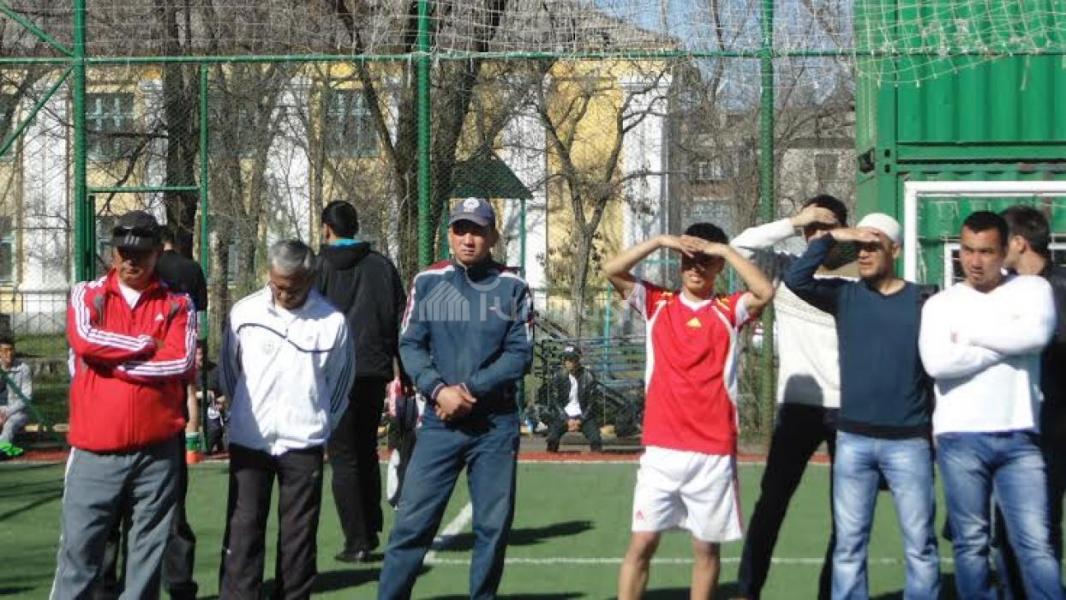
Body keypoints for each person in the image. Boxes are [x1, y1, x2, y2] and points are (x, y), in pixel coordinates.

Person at [604, 223, 774, 600]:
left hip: (712, 452)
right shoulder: (657, 303)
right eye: (689, 259)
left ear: (718, 267)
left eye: (705, 261)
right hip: (661, 450)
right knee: (642, 543)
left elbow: (765, 292)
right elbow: (612, 270)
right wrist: (660, 241)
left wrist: (725, 250)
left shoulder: (729, 310)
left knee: (705, 549)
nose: (696, 267)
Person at [377, 197, 533, 600]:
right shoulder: (428, 282)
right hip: (438, 423)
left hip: (495, 426)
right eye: (461, 229)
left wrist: (469, 390)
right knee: (412, 523)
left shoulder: (513, 287)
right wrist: (438, 390)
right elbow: (410, 344)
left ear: (493, 236)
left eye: (477, 231)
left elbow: (520, 354)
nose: (468, 239)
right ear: (449, 234)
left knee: (493, 528)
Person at [784, 213, 940, 599]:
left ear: (895, 250)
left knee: (920, 546)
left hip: (910, 442)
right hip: (853, 440)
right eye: (859, 247)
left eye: (873, 245)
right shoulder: (845, 295)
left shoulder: (924, 301)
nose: (864, 253)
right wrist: (835, 237)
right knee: (849, 546)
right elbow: (796, 279)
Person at [50, 210, 197, 600]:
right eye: (123, 253)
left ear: (157, 253)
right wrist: (147, 344)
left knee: (146, 561)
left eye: (141, 254)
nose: (131, 261)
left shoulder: (178, 302)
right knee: (79, 555)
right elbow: (85, 339)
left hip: (157, 454)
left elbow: (181, 361)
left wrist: (113, 364)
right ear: (112, 253)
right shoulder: (87, 294)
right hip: (95, 451)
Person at [918, 211, 1061, 599]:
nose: (975, 261)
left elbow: (1035, 337)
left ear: (1005, 251)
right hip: (959, 438)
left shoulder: (1032, 290)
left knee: (1035, 543)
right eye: (967, 250)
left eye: (986, 251)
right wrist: (1007, 344)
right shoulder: (940, 305)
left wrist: (968, 337)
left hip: (1020, 437)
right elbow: (938, 363)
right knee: (971, 543)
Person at [218, 240, 355, 600]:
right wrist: (243, 411)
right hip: (250, 440)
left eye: (293, 288)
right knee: (242, 532)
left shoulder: (332, 322)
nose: (284, 294)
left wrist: (319, 422)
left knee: (298, 540)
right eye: (278, 285)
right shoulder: (244, 313)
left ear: (309, 278)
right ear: (269, 273)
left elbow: (340, 384)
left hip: (303, 443)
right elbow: (230, 373)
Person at [729, 196, 849, 600]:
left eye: (827, 227)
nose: (818, 235)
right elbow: (739, 246)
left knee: (845, 514)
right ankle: (747, 590)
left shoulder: (856, 279)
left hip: (847, 409)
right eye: (811, 228)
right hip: (797, 406)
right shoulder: (784, 269)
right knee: (772, 503)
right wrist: (795, 221)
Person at [314, 199, 406, 563]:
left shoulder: (317, 267)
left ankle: (357, 540)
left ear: (327, 228)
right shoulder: (381, 266)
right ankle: (370, 527)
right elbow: (400, 318)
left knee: (343, 456)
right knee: (366, 448)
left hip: (333, 372)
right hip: (372, 368)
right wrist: (403, 371)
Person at [995, 205, 1066, 598]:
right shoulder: (999, 291)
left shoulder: (1060, 289)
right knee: (1007, 529)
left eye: (999, 241)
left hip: (1054, 428)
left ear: (1019, 243)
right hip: (1013, 428)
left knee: (1043, 527)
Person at [544, 345, 603, 453]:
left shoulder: (588, 376)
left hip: (583, 415)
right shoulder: (558, 376)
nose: (569, 362)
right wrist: (566, 419)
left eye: (571, 359)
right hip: (563, 415)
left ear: (578, 360)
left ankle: (597, 460)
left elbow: (592, 402)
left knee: (596, 440)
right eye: (566, 359)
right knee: (552, 439)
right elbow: (555, 401)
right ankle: (551, 458)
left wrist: (581, 420)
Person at [0, 332, 31, 459]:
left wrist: (6, 413)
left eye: (11, 350)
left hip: (17, 412)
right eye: (5, 350)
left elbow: (27, 397)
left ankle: (2, 449)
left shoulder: (24, 369)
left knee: (10, 424)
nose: (9, 353)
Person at [194, 341, 227, 455]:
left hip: (212, 411)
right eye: (199, 354)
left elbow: (227, 393)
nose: (201, 357)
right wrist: (201, 395)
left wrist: (220, 401)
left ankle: (209, 447)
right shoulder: (187, 372)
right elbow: (182, 395)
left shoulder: (216, 370)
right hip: (193, 410)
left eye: (203, 353)